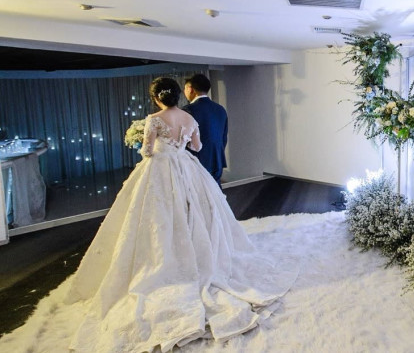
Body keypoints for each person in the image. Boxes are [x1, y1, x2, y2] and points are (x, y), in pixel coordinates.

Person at [63, 77, 298, 352]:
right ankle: (198, 253)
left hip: (160, 170)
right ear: (178, 94)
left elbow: (147, 151)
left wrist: (147, 142)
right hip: (187, 167)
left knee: (157, 216)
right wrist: (180, 142)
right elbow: (197, 147)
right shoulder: (189, 118)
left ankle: (168, 257)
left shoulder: (153, 119)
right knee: (196, 210)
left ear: (156, 98)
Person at [183, 73, 228, 184]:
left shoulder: (187, 110)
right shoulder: (220, 109)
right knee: (215, 191)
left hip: (195, 162)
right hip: (217, 160)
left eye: (185, 89)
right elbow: (223, 138)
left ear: (190, 89)